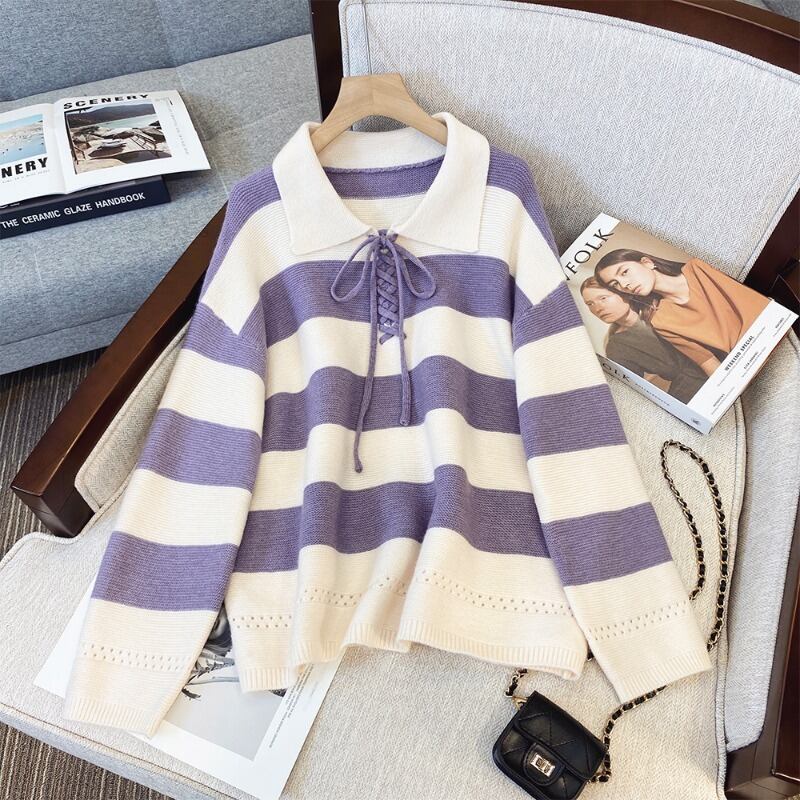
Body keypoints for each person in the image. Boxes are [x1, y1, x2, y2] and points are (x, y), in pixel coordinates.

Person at [594, 249, 770, 376]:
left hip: (770, 329)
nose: (624, 285)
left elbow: (755, 304)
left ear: (647, 262)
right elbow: (708, 362)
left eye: (624, 272)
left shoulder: (698, 268)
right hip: (747, 365)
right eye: (615, 284)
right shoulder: (660, 320)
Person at [579, 276, 707, 403]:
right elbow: (634, 394)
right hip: (695, 391)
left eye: (603, 298)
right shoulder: (617, 346)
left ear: (623, 293)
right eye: (590, 304)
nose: (598, 308)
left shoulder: (658, 305)